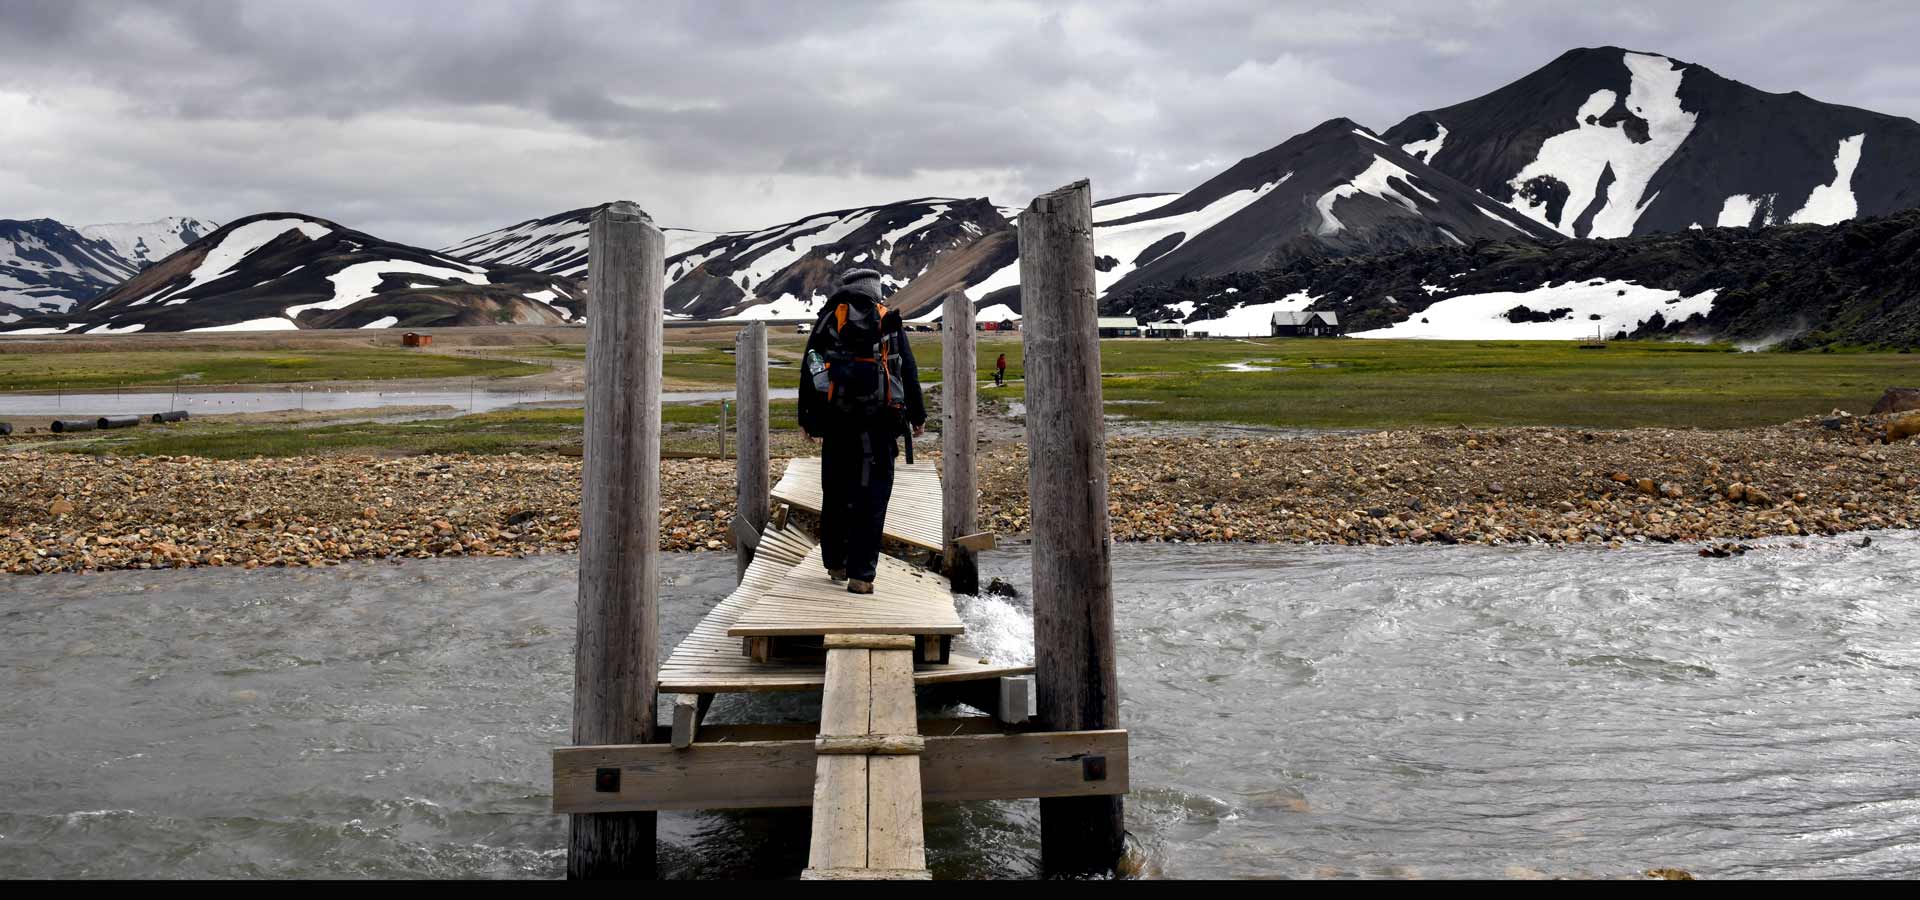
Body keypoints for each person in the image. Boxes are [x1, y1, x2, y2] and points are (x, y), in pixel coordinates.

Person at [798, 269, 926, 594]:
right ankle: (862, 576)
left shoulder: (830, 318)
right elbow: (907, 369)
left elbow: (810, 365)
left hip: (839, 422)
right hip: (882, 424)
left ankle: (836, 564)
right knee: (873, 497)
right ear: (876, 290)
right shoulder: (887, 320)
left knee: (837, 493)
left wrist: (809, 420)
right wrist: (917, 415)